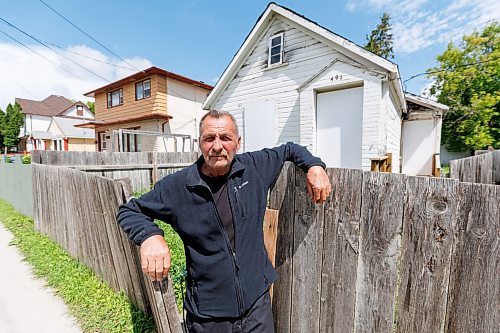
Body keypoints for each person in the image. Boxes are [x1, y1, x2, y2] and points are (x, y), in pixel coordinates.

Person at [117, 110, 331, 333]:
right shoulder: (178, 186)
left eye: (225, 138)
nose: (217, 146)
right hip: (208, 316)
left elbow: (289, 149)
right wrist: (150, 236)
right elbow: (130, 211)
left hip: (257, 306)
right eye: (209, 138)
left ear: (238, 143)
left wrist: (314, 166)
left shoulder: (254, 168)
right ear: (200, 143)